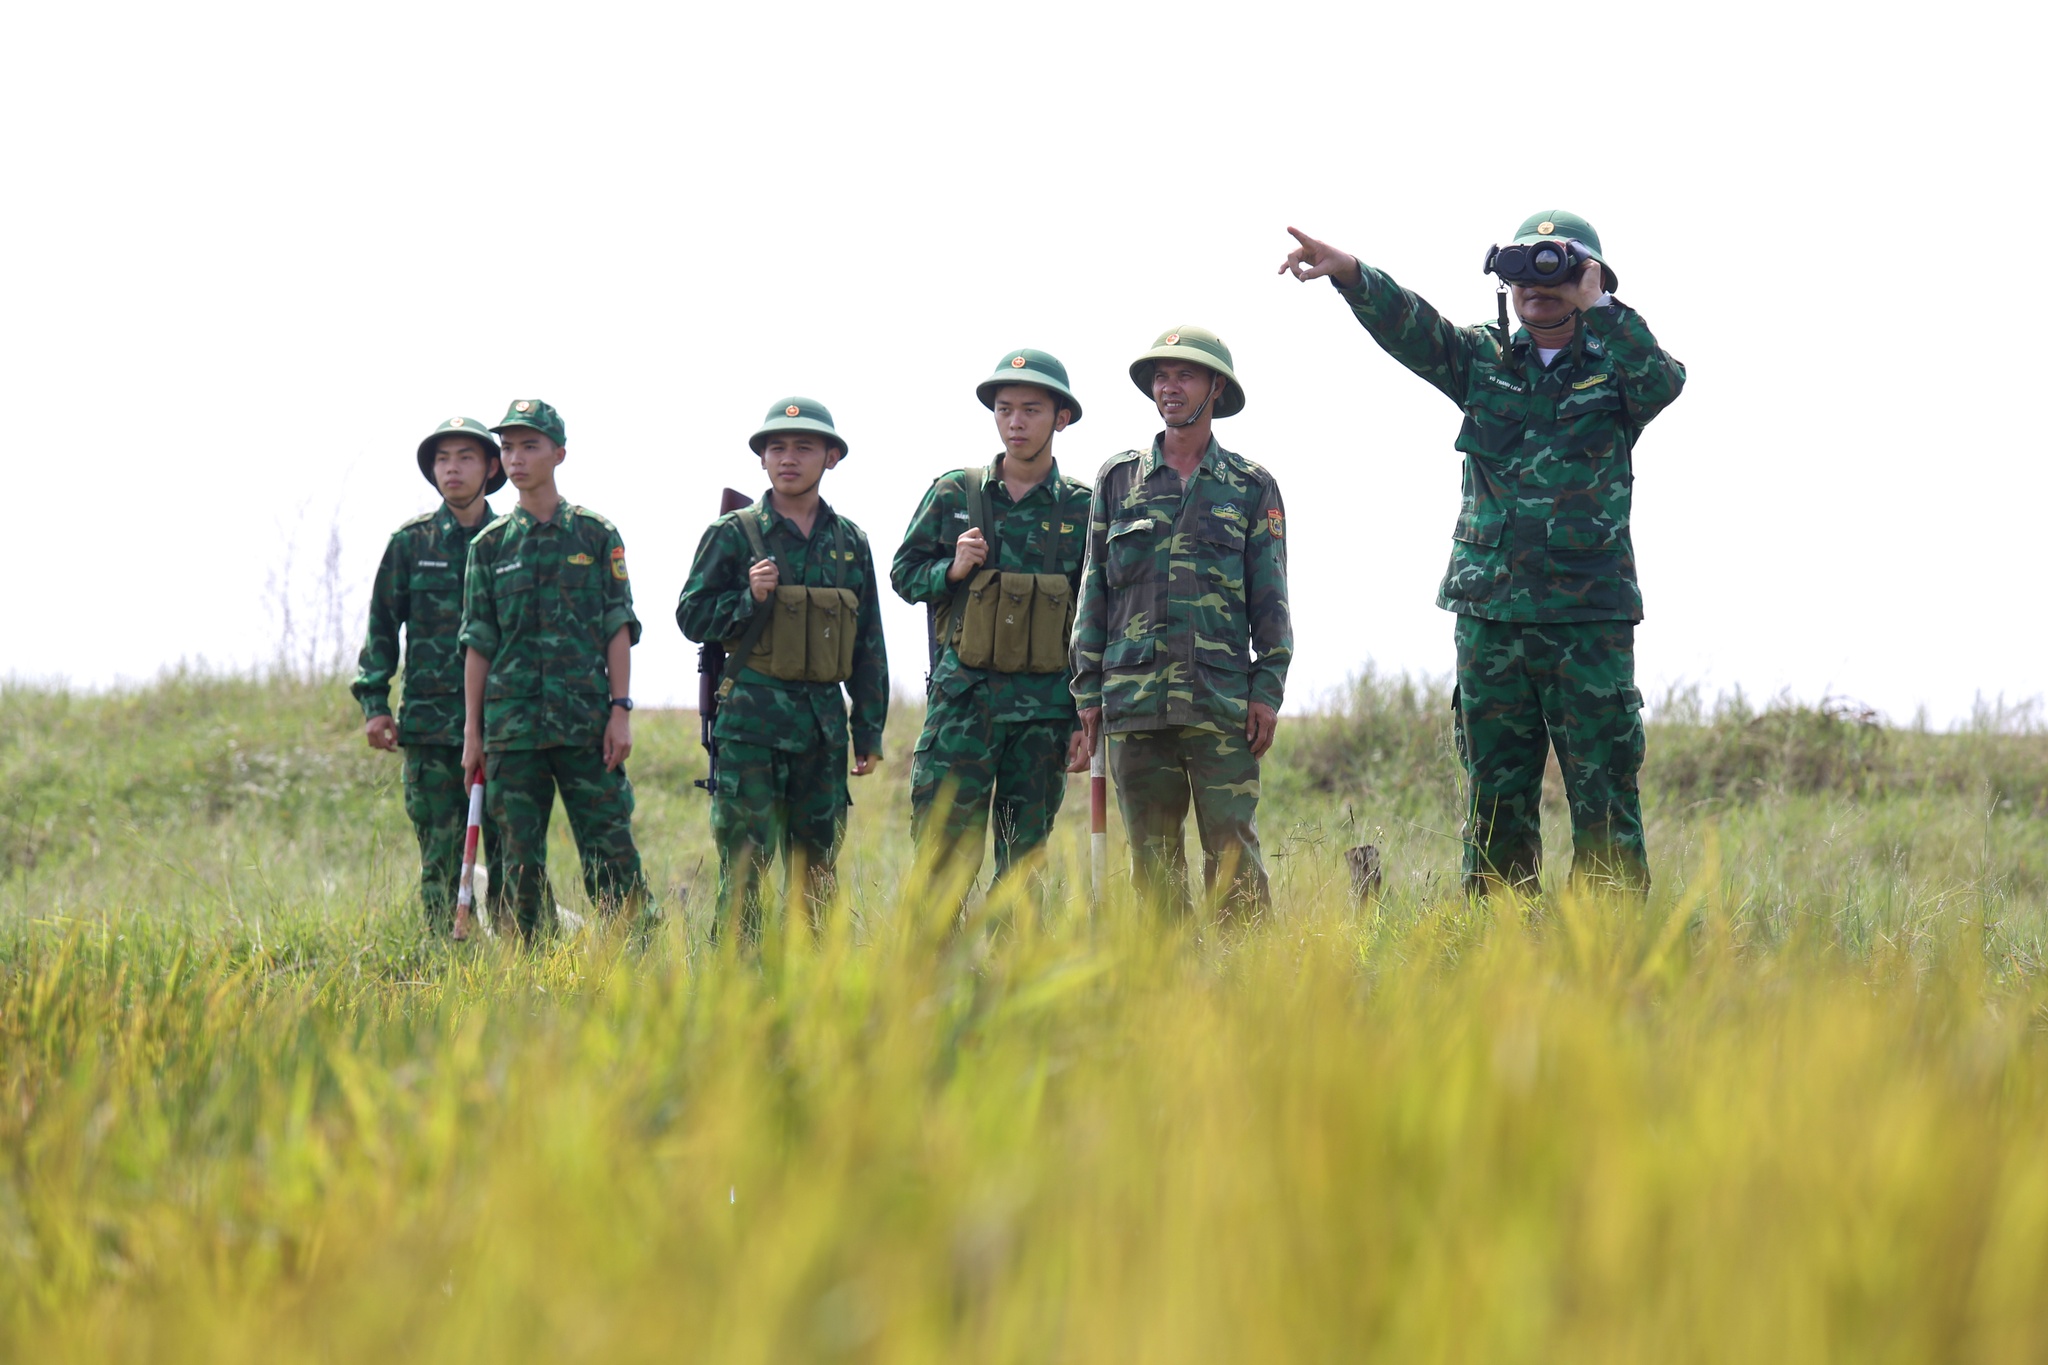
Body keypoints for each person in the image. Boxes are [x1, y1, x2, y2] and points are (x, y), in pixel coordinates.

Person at [1279, 211, 1686, 894]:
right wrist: (1351, 274)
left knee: (1604, 790)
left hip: (1589, 620)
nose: (1539, 286)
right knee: (1495, 793)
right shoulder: (1481, 361)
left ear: (1591, 277)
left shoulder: (1618, 369)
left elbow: (1664, 381)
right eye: (1526, 269)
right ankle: (1499, 946)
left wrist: (1603, 307)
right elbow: (1415, 329)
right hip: (1491, 615)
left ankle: (1611, 952)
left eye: (1560, 270)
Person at [1067, 327, 1292, 916]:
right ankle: (1167, 989)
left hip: (1221, 703)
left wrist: (1266, 690)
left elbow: (1272, 598)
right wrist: (1087, 689)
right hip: (1135, 702)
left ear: (1215, 387)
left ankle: (1246, 985)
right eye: (1161, 377)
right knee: (1153, 863)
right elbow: (1094, 590)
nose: (1169, 388)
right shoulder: (1118, 480)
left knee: (1233, 854)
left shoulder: (1250, 486)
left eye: (1185, 375)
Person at [676, 397, 888, 941]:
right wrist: (747, 597)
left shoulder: (850, 543)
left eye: (803, 447)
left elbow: (867, 642)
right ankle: (736, 993)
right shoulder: (732, 533)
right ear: (762, 459)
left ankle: (813, 997)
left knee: (816, 874)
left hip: (821, 731)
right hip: (750, 727)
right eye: (776, 448)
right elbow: (691, 615)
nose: (787, 458)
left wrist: (867, 729)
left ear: (831, 458)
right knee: (745, 871)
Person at [890, 350, 1093, 898]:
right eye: (1005, 410)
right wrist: (949, 570)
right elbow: (903, 574)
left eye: (1031, 409)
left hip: (1044, 717)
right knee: (941, 864)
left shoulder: (1084, 510)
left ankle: (1010, 976)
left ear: (1062, 418)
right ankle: (927, 978)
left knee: (1022, 868)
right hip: (963, 710)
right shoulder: (955, 492)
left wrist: (1082, 719)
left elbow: (1096, 619)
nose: (1016, 423)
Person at [457, 398, 649, 938]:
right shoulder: (489, 546)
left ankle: (634, 957)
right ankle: (527, 970)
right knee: (517, 860)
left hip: (587, 722)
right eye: (508, 447)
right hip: (512, 730)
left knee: (610, 847)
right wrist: (474, 733)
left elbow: (619, 626)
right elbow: (479, 641)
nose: (515, 458)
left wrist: (620, 711)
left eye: (530, 446)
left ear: (558, 453)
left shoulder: (595, 534)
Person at [352, 416, 511, 932]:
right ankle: (445, 959)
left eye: (465, 457)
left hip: (508, 724)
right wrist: (374, 704)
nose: (452, 469)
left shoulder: (515, 540)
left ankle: (522, 959)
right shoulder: (411, 544)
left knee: (513, 855)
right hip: (431, 725)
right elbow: (381, 626)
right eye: (442, 460)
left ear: (491, 467)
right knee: (438, 855)